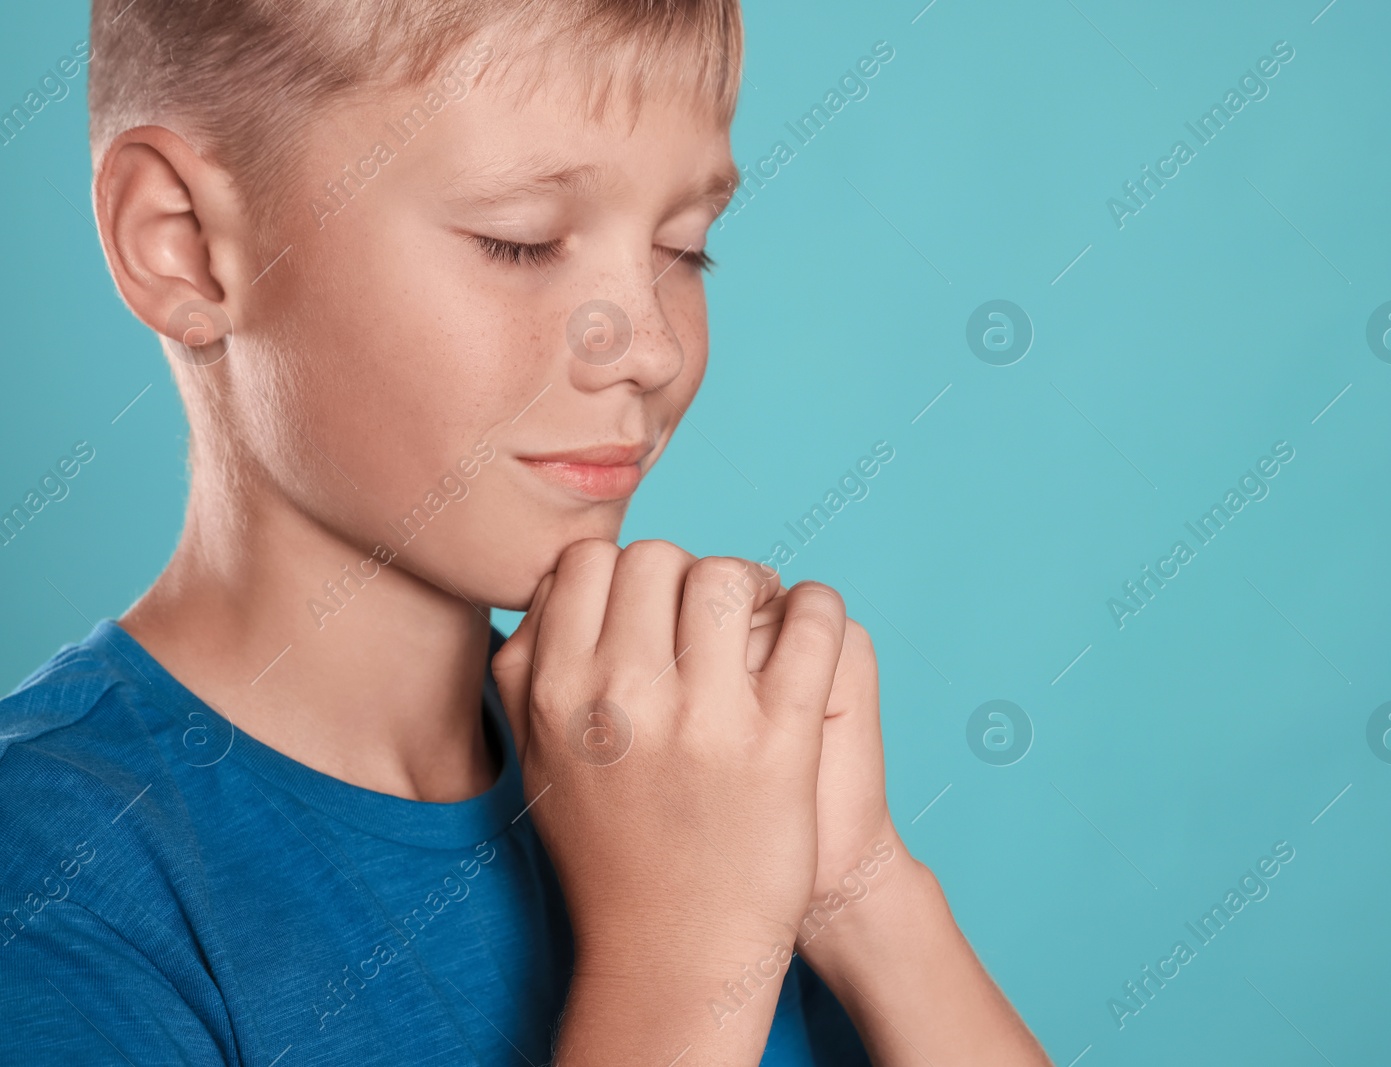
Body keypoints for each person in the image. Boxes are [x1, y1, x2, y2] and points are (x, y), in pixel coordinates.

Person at [0, 2, 1051, 1063]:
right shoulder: (51, 870)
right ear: (183, 245)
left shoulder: (689, 780)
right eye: (521, 242)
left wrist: (864, 892)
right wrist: (680, 953)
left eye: (684, 248)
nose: (645, 344)